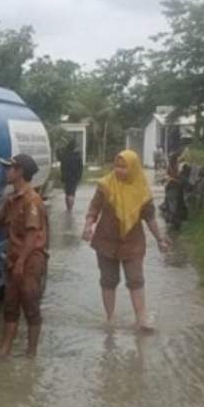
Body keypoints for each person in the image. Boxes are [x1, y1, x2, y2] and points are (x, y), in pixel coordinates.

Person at [0, 154, 49, 357]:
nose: (7, 171)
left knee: (31, 306)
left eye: (10, 168)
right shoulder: (11, 199)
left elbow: (32, 236)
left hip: (30, 260)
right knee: (10, 306)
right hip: (15, 258)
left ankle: (31, 353)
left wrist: (21, 262)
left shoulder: (32, 200)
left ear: (20, 171)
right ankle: (4, 350)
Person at [82, 150, 169, 333]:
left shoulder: (142, 190)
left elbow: (150, 218)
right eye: (117, 166)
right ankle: (110, 319)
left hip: (133, 242)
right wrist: (88, 226)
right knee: (108, 280)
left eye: (124, 167)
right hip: (106, 241)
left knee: (135, 279)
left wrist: (160, 239)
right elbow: (94, 208)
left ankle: (141, 320)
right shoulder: (105, 185)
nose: (119, 170)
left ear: (134, 168)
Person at [59, 138, 83, 211]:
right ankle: (70, 208)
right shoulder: (77, 156)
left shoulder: (65, 155)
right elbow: (80, 167)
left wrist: (62, 176)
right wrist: (79, 176)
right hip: (74, 177)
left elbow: (62, 167)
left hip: (66, 177)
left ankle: (68, 207)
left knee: (67, 192)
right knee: (72, 193)